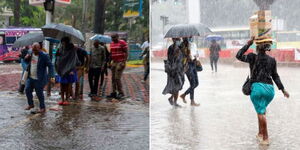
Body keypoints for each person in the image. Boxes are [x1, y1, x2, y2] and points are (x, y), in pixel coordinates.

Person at [236, 37, 290, 145]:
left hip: (257, 89)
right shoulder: (272, 60)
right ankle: (260, 133)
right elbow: (275, 76)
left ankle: (266, 138)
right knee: (261, 110)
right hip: (270, 90)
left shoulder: (252, 57)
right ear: (267, 48)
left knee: (261, 114)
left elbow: (238, 55)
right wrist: (283, 90)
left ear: (257, 47)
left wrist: (248, 43)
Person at [24, 43, 55, 113]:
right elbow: (26, 61)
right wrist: (26, 58)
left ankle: (42, 107)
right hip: (30, 77)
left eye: (36, 50)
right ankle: (31, 104)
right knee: (27, 89)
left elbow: (51, 66)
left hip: (39, 78)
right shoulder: (30, 53)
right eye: (33, 50)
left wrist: (52, 77)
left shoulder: (44, 56)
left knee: (39, 93)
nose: (34, 52)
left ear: (40, 49)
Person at [55, 37, 79, 105]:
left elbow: (73, 60)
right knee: (62, 85)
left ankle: (67, 99)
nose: (63, 44)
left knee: (68, 85)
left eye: (64, 42)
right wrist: (57, 54)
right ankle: (62, 99)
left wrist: (71, 69)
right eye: (62, 42)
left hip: (70, 70)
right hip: (62, 69)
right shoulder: (60, 49)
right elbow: (58, 59)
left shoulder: (72, 50)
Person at [162, 38, 185, 107]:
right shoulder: (171, 48)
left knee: (180, 85)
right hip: (173, 70)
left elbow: (183, 57)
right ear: (173, 40)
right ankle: (175, 102)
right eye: (176, 39)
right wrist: (175, 54)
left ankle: (171, 99)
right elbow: (170, 59)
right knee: (176, 86)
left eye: (179, 39)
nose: (178, 41)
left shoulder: (181, 47)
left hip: (180, 69)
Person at [179, 37, 200, 106]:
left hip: (193, 64)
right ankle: (192, 101)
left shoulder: (192, 44)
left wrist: (196, 57)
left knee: (196, 83)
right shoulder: (181, 46)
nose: (189, 38)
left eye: (190, 37)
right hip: (187, 66)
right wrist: (187, 55)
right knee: (193, 83)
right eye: (187, 37)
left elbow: (196, 53)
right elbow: (181, 57)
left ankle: (184, 95)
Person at [107, 34, 128, 99]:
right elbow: (111, 54)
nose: (113, 39)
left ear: (117, 37)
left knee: (117, 78)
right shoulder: (111, 44)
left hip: (120, 62)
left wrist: (124, 62)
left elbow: (126, 52)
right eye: (112, 37)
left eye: (114, 37)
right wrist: (109, 62)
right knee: (113, 78)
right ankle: (114, 92)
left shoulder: (122, 42)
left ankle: (121, 93)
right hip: (114, 62)